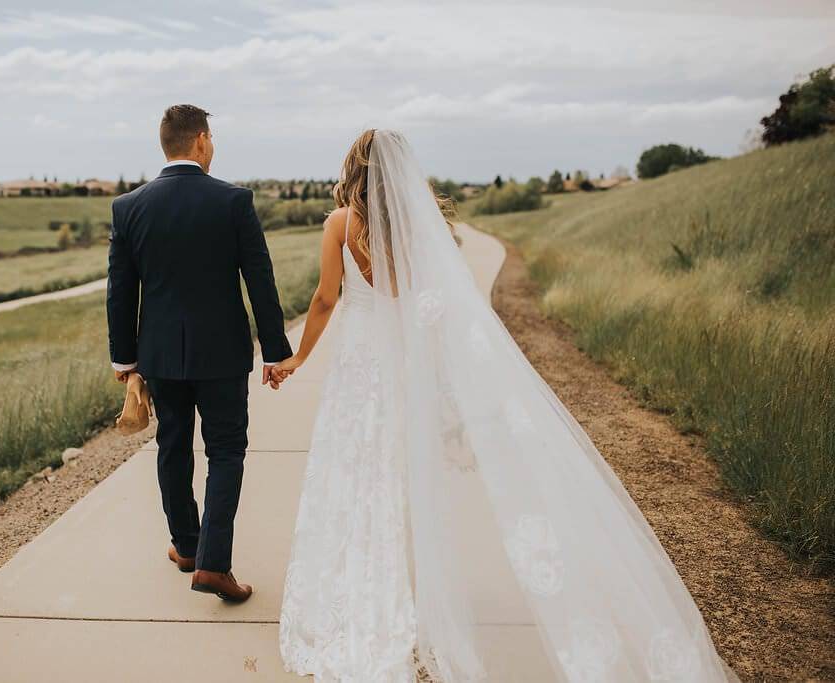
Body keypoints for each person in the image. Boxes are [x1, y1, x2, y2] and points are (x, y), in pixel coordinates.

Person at [272, 129, 734, 682]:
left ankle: (362, 595)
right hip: (402, 368)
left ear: (354, 170)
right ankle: (405, 595)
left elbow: (326, 298)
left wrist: (298, 359)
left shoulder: (340, 225)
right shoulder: (422, 231)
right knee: (401, 479)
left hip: (358, 369)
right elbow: (434, 310)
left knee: (355, 476)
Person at [105, 104, 292, 603]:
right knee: (226, 450)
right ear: (202, 141)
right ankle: (212, 564)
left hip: (160, 355)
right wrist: (274, 350)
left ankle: (187, 546)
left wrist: (125, 360)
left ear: (165, 143)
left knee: (172, 444)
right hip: (223, 353)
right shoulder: (233, 201)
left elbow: (120, 291)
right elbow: (260, 279)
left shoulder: (129, 207)